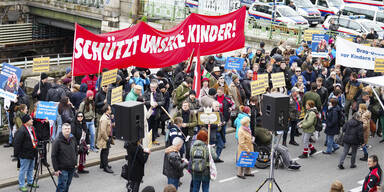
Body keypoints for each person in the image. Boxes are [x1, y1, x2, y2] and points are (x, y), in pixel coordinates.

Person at [13, 115, 38, 192]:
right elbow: (17, 143)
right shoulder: (21, 130)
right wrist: (17, 155)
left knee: (31, 168)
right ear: (27, 121)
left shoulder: (32, 128)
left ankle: (30, 182)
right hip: (24, 154)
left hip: (32, 152)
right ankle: (22, 185)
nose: (32, 120)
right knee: (23, 170)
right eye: (31, 119)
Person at [51, 123, 77, 192]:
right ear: (62, 130)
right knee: (62, 187)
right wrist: (56, 169)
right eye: (65, 129)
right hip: (63, 169)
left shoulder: (73, 138)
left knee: (67, 185)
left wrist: (75, 161)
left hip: (72, 167)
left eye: (68, 129)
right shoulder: (57, 141)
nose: (67, 130)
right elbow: (53, 156)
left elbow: (75, 151)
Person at [97, 104, 114, 173]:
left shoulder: (107, 116)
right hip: (105, 138)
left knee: (104, 151)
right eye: (110, 109)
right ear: (107, 110)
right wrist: (107, 138)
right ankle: (105, 166)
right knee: (105, 152)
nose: (111, 110)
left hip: (106, 137)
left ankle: (102, 164)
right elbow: (103, 130)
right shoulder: (104, 119)